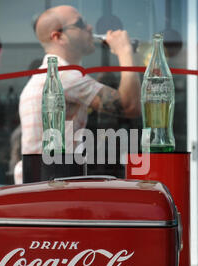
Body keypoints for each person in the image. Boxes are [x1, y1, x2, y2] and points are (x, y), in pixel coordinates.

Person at [14, 5, 141, 184]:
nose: (89, 27)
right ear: (58, 37)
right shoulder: (64, 75)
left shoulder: (45, 76)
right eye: (80, 24)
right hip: (51, 186)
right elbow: (130, 106)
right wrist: (124, 51)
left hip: (40, 184)